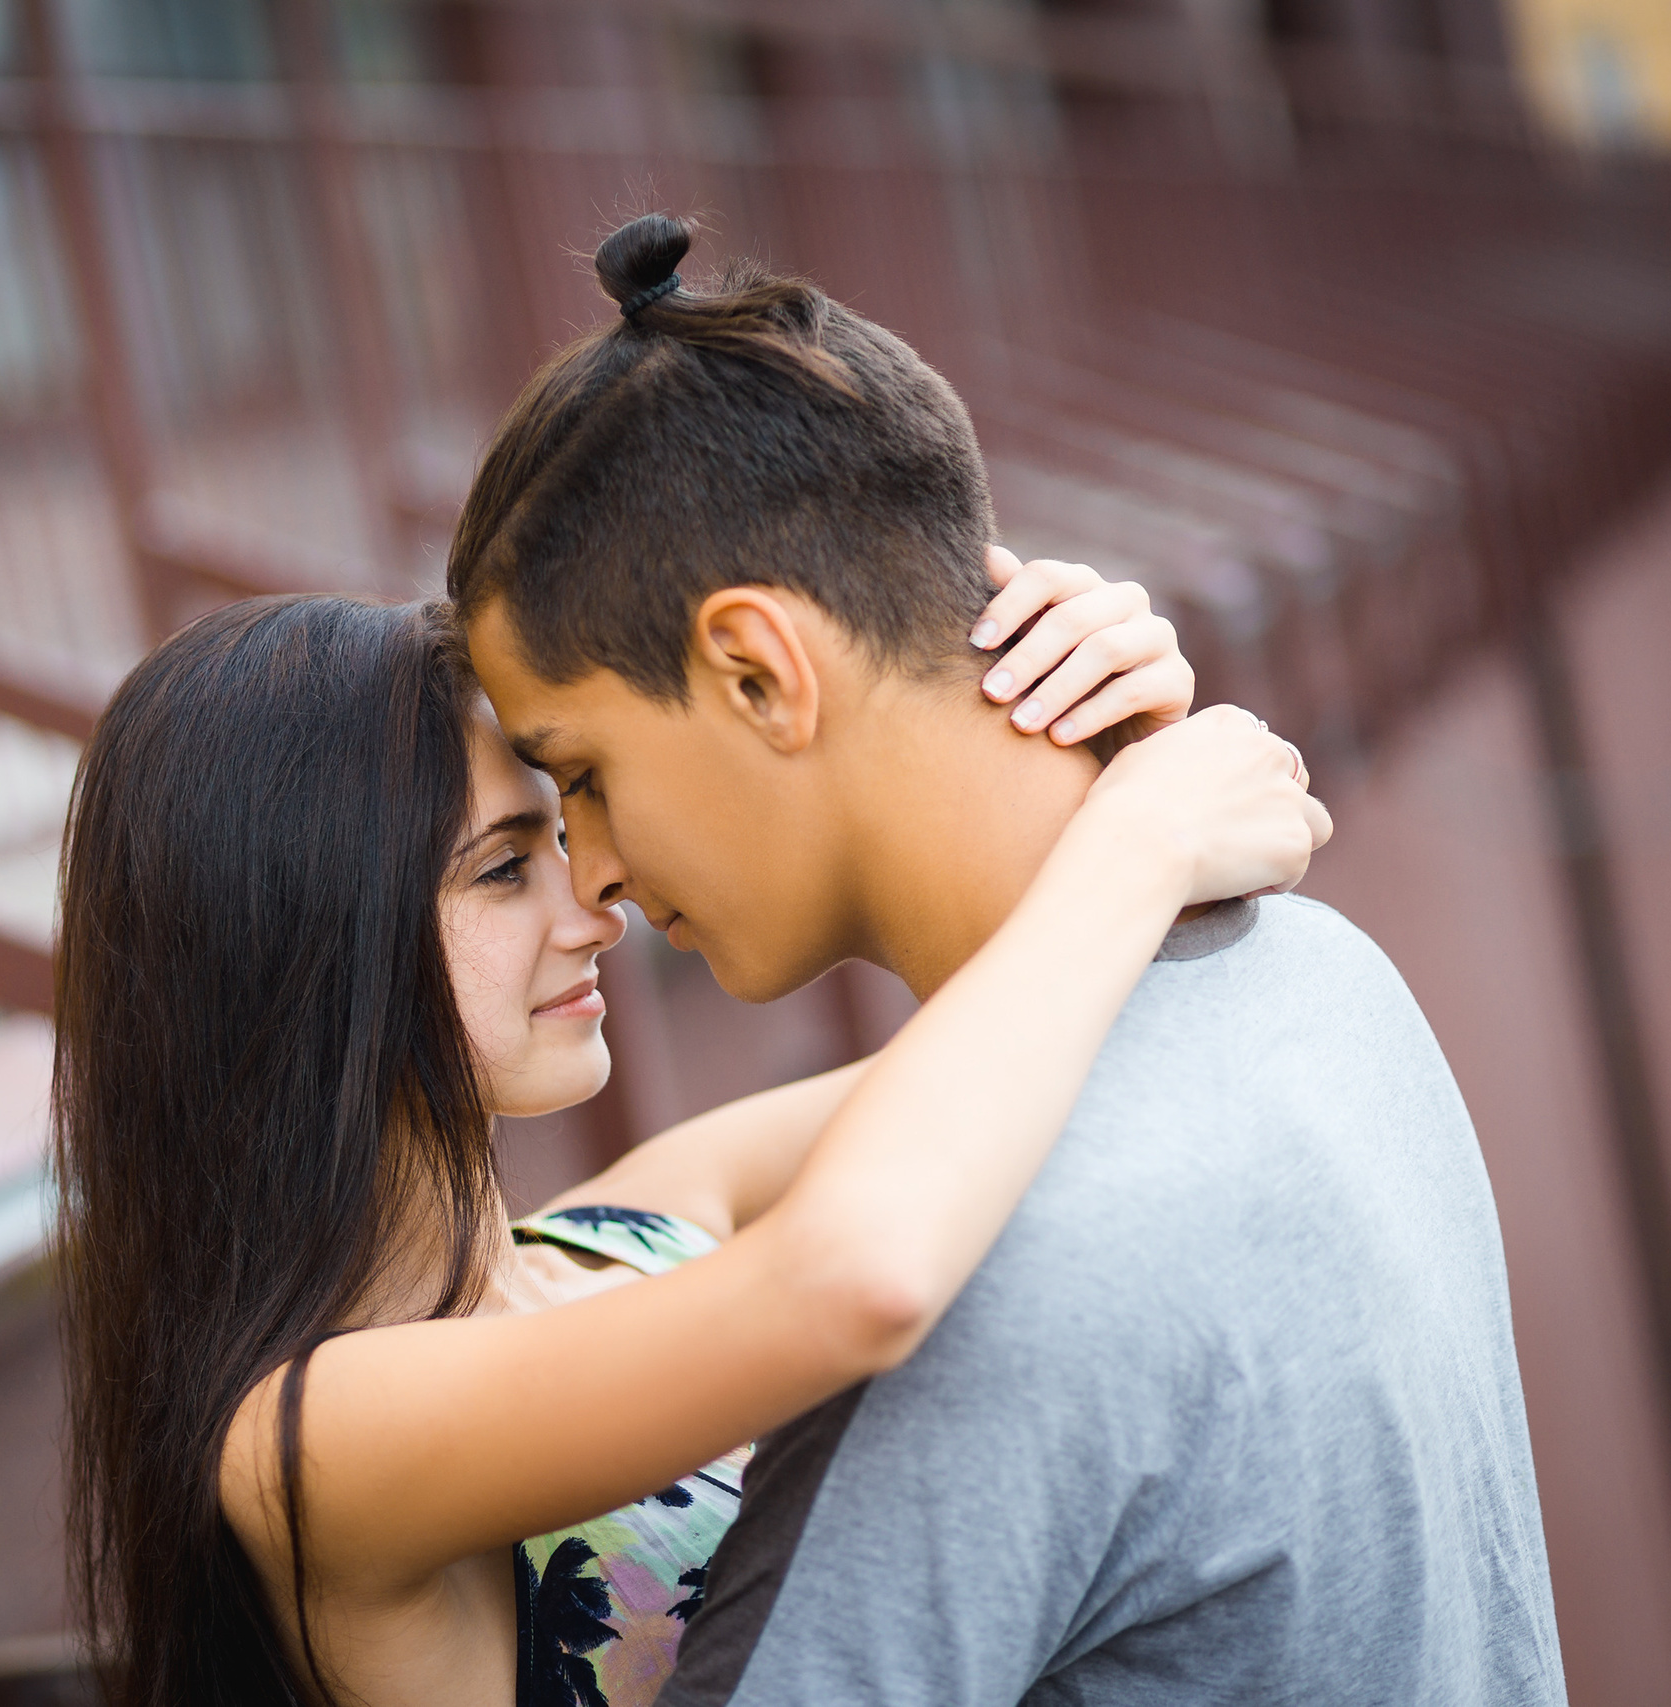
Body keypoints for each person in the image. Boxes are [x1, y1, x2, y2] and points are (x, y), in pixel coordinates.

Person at [449, 213, 1564, 1705]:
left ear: (758, 670)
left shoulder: (946, 1281)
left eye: (580, 772)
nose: (592, 870)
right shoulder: (1331, 973)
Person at [52, 579, 1320, 1701]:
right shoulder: (309, 1446)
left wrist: (1077, 733)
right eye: (502, 871)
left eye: (562, 832)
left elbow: (1046, 1040)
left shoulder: (637, 1222)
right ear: (309, 947)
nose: (594, 904)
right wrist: (1140, 837)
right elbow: (855, 1273)